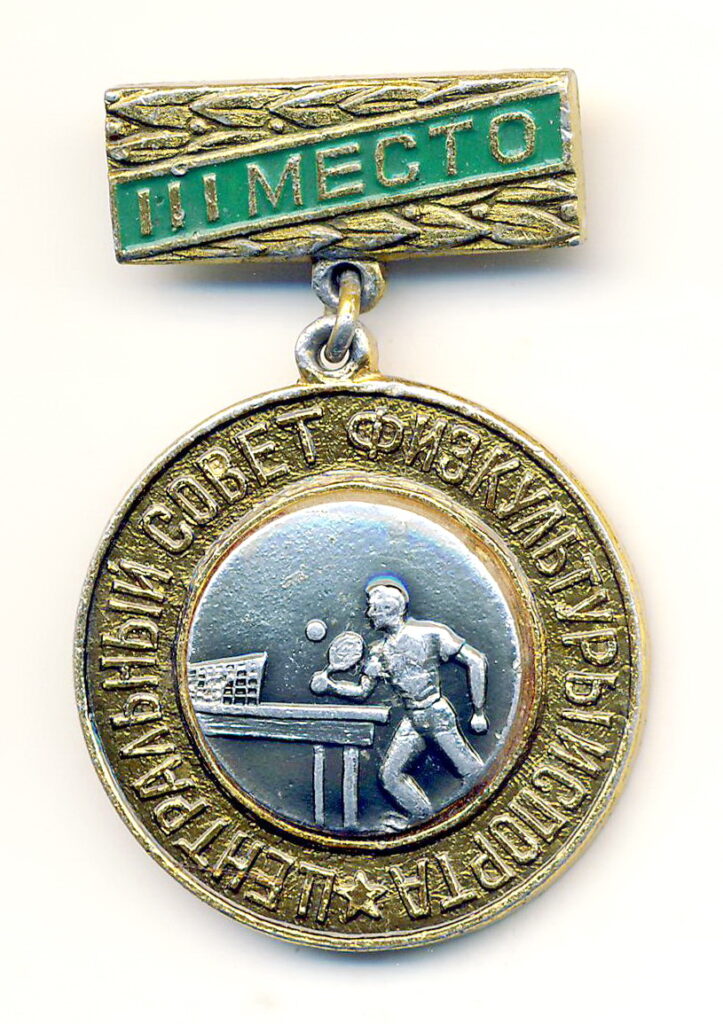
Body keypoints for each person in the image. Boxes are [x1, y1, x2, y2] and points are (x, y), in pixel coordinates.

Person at [310, 577, 488, 823]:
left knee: (474, 773)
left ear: (388, 610)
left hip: (437, 716)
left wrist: (478, 711)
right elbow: (362, 692)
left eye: (373, 608)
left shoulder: (431, 634)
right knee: (390, 776)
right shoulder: (378, 653)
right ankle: (423, 819)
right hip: (413, 721)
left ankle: (477, 814)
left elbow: (475, 661)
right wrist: (332, 687)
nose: (368, 614)